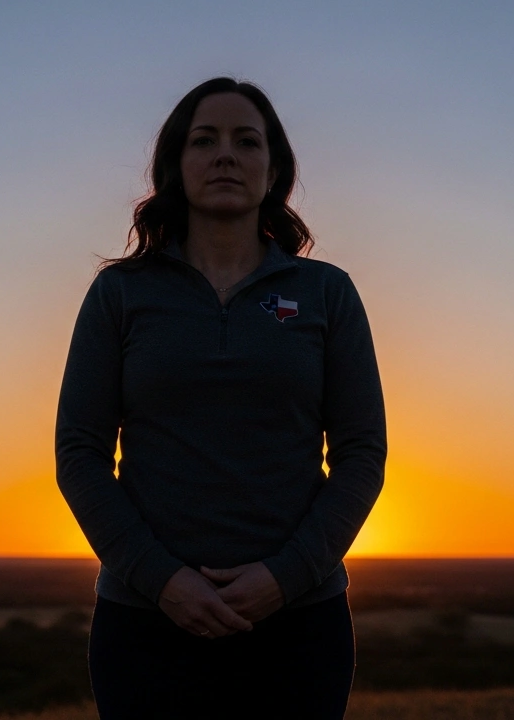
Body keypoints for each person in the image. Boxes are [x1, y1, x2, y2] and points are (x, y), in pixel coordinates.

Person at [55, 77, 387, 719]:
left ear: (274, 168)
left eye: (247, 141)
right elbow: (80, 454)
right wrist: (163, 582)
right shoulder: (121, 295)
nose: (226, 155)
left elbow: (362, 455)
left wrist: (285, 578)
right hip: (146, 627)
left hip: (299, 629)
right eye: (204, 140)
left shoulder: (327, 293)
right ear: (176, 166)